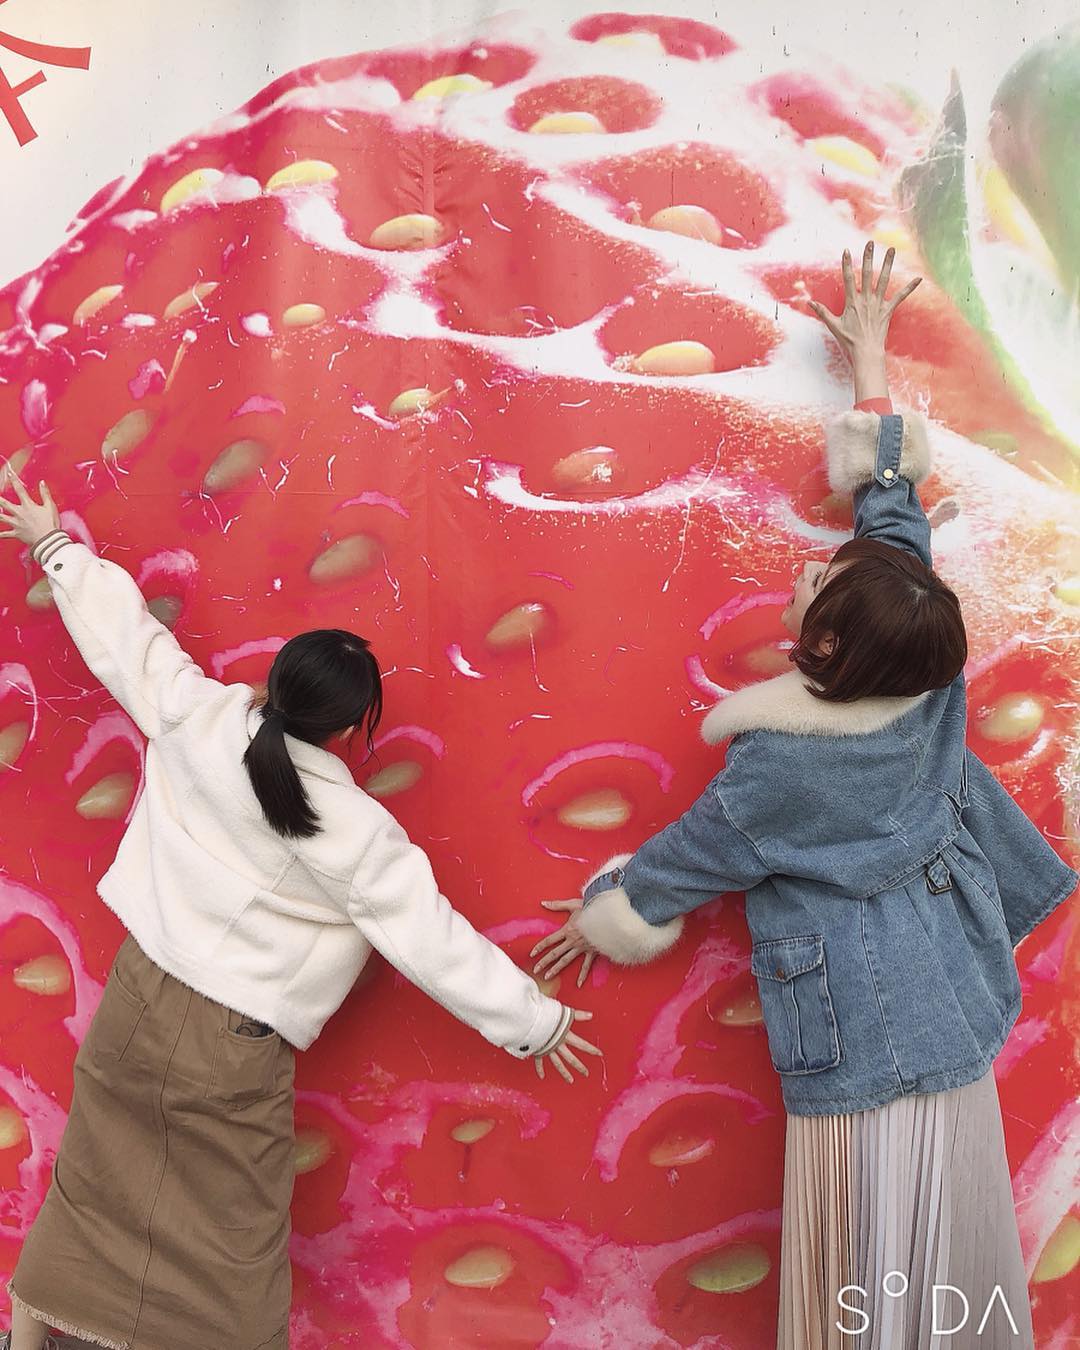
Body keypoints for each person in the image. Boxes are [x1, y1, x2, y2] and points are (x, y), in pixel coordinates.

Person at [530, 242, 1079, 1350]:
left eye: (816, 582)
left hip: (857, 1029)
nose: (806, 568)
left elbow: (683, 863)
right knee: (947, 1222)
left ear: (824, 645)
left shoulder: (774, 769)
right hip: (948, 987)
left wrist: (602, 916)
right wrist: (869, 364)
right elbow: (893, 517)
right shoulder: (920, 658)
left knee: (862, 1247)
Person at [0, 485, 600, 1349]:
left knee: (93, 1181)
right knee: (234, 1240)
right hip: (231, 1042)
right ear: (354, 729)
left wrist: (54, 545)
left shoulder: (198, 716)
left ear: (275, 683)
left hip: (138, 996)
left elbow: (126, 639)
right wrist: (534, 1023)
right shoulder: (355, 829)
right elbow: (432, 940)